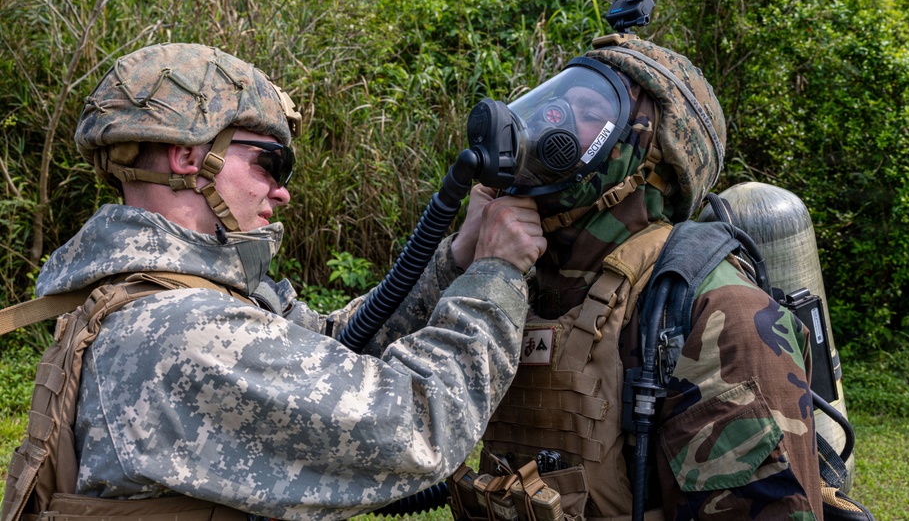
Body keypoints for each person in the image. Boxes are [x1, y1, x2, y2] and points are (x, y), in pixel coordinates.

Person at [3, 43, 546, 520]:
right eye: (271, 163)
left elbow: (333, 346)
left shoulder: (151, 291)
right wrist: (497, 273)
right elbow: (418, 423)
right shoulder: (182, 328)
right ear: (191, 156)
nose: (282, 191)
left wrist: (456, 255)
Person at [459, 35, 827, 520]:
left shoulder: (714, 313)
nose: (554, 118)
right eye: (557, 99)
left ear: (649, 159)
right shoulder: (514, 279)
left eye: (589, 107)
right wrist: (466, 255)